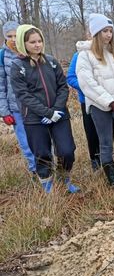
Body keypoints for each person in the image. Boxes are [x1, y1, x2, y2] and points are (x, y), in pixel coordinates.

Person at [10, 24, 79, 193]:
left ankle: (65, 180)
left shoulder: (51, 61)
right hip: (34, 118)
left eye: (39, 41)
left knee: (67, 151)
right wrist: (46, 113)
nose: (37, 45)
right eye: (32, 42)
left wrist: (56, 110)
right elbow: (23, 95)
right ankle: (47, 187)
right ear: (23, 43)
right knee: (42, 153)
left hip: (59, 115)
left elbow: (63, 87)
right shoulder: (18, 66)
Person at [77, 13, 114, 187]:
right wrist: (110, 102)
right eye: (104, 31)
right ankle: (113, 182)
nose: (108, 35)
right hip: (100, 107)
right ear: (96, 33)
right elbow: (87, 83)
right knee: (106, 145)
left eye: (110, 31)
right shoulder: (85, 56)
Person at [0, 21, 36, 173]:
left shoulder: (29, 50)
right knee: (25, 142)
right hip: (15, 107)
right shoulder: (2, 56)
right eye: (9, 36)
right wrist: (4, 111)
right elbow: (1, 85)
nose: (13, 39)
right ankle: (34, 169)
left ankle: (47, 167)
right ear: (4, 37)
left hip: (34, 105)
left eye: (16, 35)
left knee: (41, 139)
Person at [66, 36, 104, 172]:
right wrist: (87, 88)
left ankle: (106, 159)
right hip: (88, 100)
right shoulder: (79, 55)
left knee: (107, 132)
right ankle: (95, 161)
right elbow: (70, 77)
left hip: (106, 101)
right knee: (92, 132)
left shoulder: (108, 53)